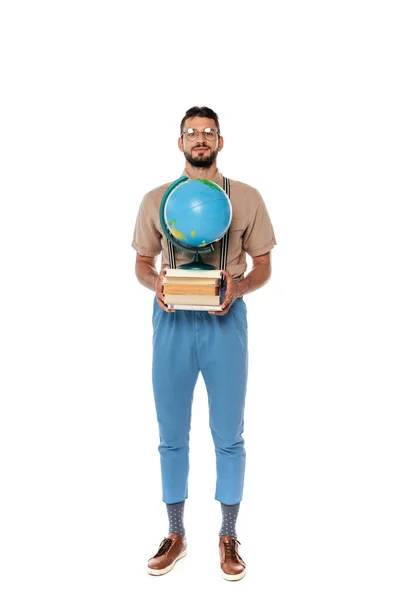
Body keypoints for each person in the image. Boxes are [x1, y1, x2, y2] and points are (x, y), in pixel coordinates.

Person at [132, 106, 276, 581]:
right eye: (191, 133)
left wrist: (237, 290)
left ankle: (228, 536)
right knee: (171, 435)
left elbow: (263, 268)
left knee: (228, 435)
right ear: (180, 143)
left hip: (225, 324)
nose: (200, 139)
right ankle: (175, 534)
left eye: (208, 132)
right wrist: (157, 286)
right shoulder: (156, 199)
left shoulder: (248, 198)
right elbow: (142, 265)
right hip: (170, 324)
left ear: (220, 141)